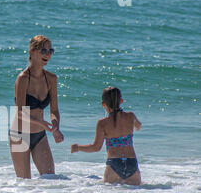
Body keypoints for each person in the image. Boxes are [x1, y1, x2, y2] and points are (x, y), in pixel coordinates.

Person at [9, 35, 64, 178]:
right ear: (32, 52)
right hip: (20, 134)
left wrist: (55, 126)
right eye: (43, 51)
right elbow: (20, 112)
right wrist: (43, 123)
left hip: (40, 135)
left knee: (50, 179)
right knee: (24, 183)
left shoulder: (51, 79)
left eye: (50, 50)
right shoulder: (22, 79)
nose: (48, 54)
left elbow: (54, 110)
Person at [71, 86, 142, 185]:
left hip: (114, 164)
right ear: (121, 101)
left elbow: (96, 147)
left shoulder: (102, 123)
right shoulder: (130, 116)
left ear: (103, 104)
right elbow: (138, 126)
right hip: (131, 163)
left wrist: (78, 147)